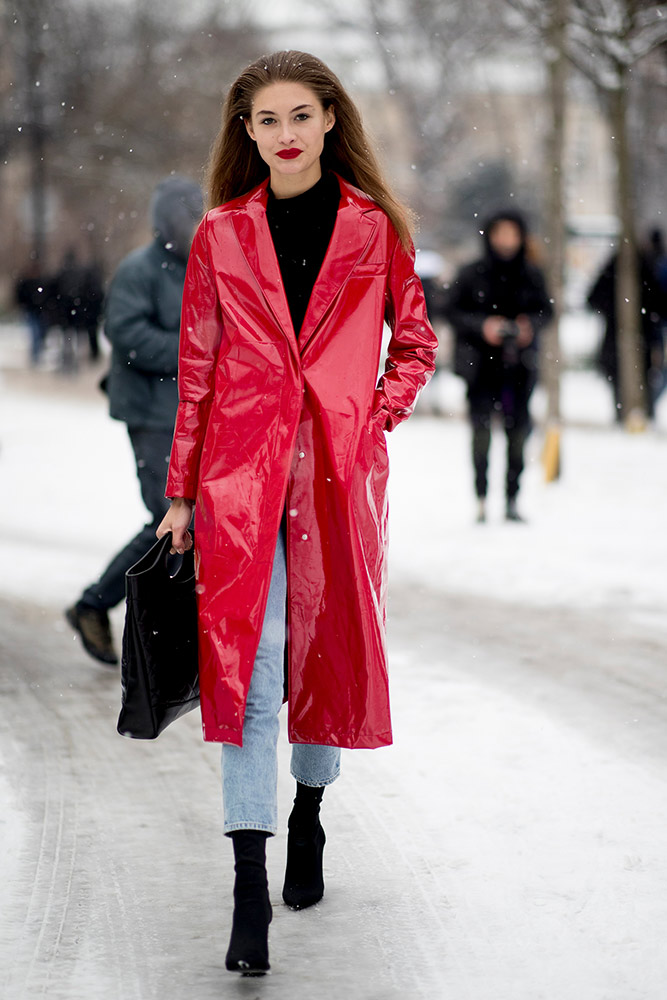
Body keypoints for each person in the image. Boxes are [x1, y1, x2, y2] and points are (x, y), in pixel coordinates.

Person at [156, 50, 437, 976]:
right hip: (241, 479)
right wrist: (182, 493)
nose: (284, 135)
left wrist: (372, 415)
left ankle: (310, 811)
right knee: (255, 661)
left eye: (300, 117)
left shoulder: (374, 226)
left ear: (328, 120)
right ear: (247, 132)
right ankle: (248, 884)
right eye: (266, 120)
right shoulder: (220, 235)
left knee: (324, 654)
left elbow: (416, 342)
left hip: (335, 473)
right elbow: (198, 367)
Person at [66, 176, 204, 664]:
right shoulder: (139, 270)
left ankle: (169, 633)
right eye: (188, 217)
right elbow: (125, 336)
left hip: (188, 414)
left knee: (195, 524)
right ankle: (94, 604)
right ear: (169, 221)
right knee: (167, 522)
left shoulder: (200, 268)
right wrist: (196, 353)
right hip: (150, 414)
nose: (195, 226)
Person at [445, 211, 552, 522]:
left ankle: (512, 499)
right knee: (480, 435)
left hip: (519, 368)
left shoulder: (532, 274)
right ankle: (480, 497)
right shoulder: (470, 273)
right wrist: (483, 327)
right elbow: (451, 310)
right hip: (479, 367)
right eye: (500, 234)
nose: (506, 241)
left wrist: (527, 325)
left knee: (518, 434)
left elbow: (546, 311)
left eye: (512, 234)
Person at [587, 246, 665, 421]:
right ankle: (631, 417)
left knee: (638, 384)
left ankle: (635, 417)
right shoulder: (628, 267)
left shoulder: (639, 267)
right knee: (628, 384)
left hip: (638, 339)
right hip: (623, 339)